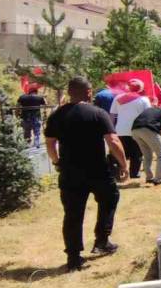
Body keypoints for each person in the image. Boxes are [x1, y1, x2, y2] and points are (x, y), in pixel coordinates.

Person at [44, 76, 128, 271]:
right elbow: (113, 141)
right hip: (97, 170)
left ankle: (73, 258)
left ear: (69, 92)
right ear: (89, 92)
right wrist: (123, 164)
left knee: (72, 214)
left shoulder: (57, 115)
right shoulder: (98, 113)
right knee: (109, 199)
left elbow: (50, 142)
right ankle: (102, 241)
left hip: (70, 172)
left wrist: (56, 161)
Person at [109, 79, 151, 179]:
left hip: (120, 130)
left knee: (119, 152)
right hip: (137, 130)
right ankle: (134, 173)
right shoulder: (144, 99)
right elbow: (149, 115)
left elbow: (112, 115)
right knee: (137, 153)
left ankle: (117, 174)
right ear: (140, 88)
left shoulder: (118, 98)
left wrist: (111, 128)